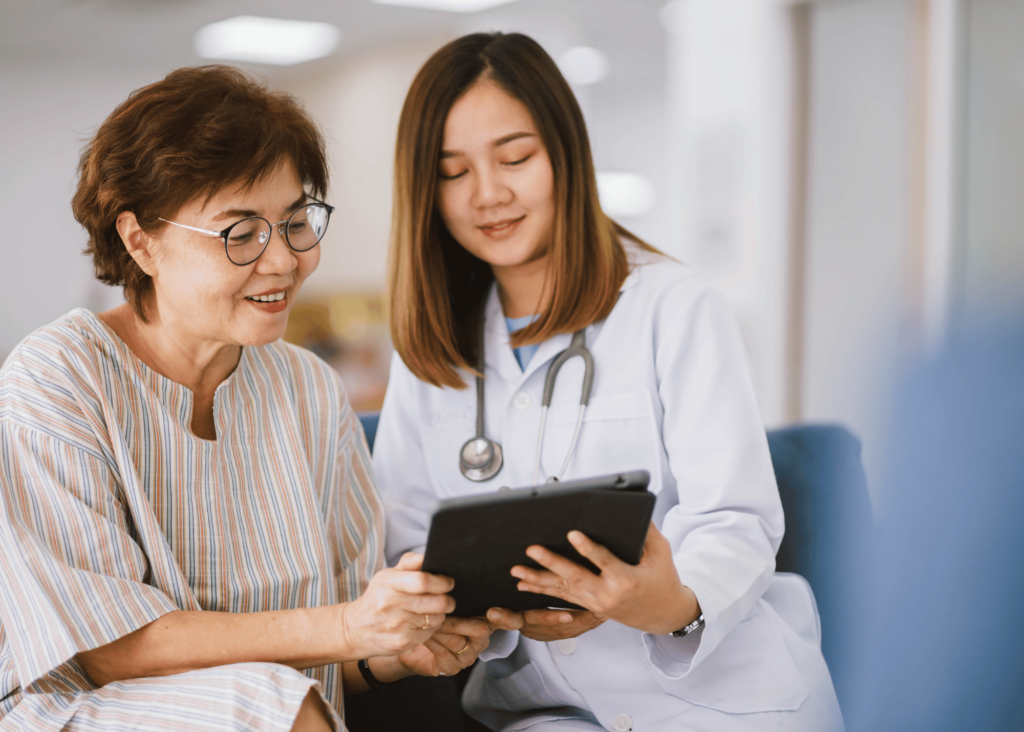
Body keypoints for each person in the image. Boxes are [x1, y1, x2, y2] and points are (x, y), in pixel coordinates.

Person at [373, 32, 844, 732]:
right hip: (546, 707)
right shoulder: (430, 348)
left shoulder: (673, 306)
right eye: (452, 171)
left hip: (723, 697)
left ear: (565, 154)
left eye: (515, 157)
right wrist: (453, 609)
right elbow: (407, 542)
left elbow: (735, 522)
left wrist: (665, 602)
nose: (489, 194)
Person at [0, 65, 491, 732]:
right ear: (139, 240)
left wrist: (391, 650)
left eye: (295, 222)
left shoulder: (308, 389)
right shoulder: (56, 377)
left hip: (289, 710)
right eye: (240, 232)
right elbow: (108, 652)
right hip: (81, 707)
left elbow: (326, 653)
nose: (284, 260)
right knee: (264, 705)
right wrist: (349, 627)